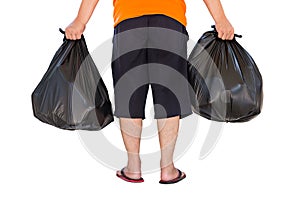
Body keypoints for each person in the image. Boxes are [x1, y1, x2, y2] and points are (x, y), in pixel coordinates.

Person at [65, 0, 234, 184]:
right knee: (169, 96)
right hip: (169, 21)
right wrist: (221, 19)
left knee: (129, 93)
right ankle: (168, 169)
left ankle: (133, 167)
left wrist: (80, 21)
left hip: (128, 22)